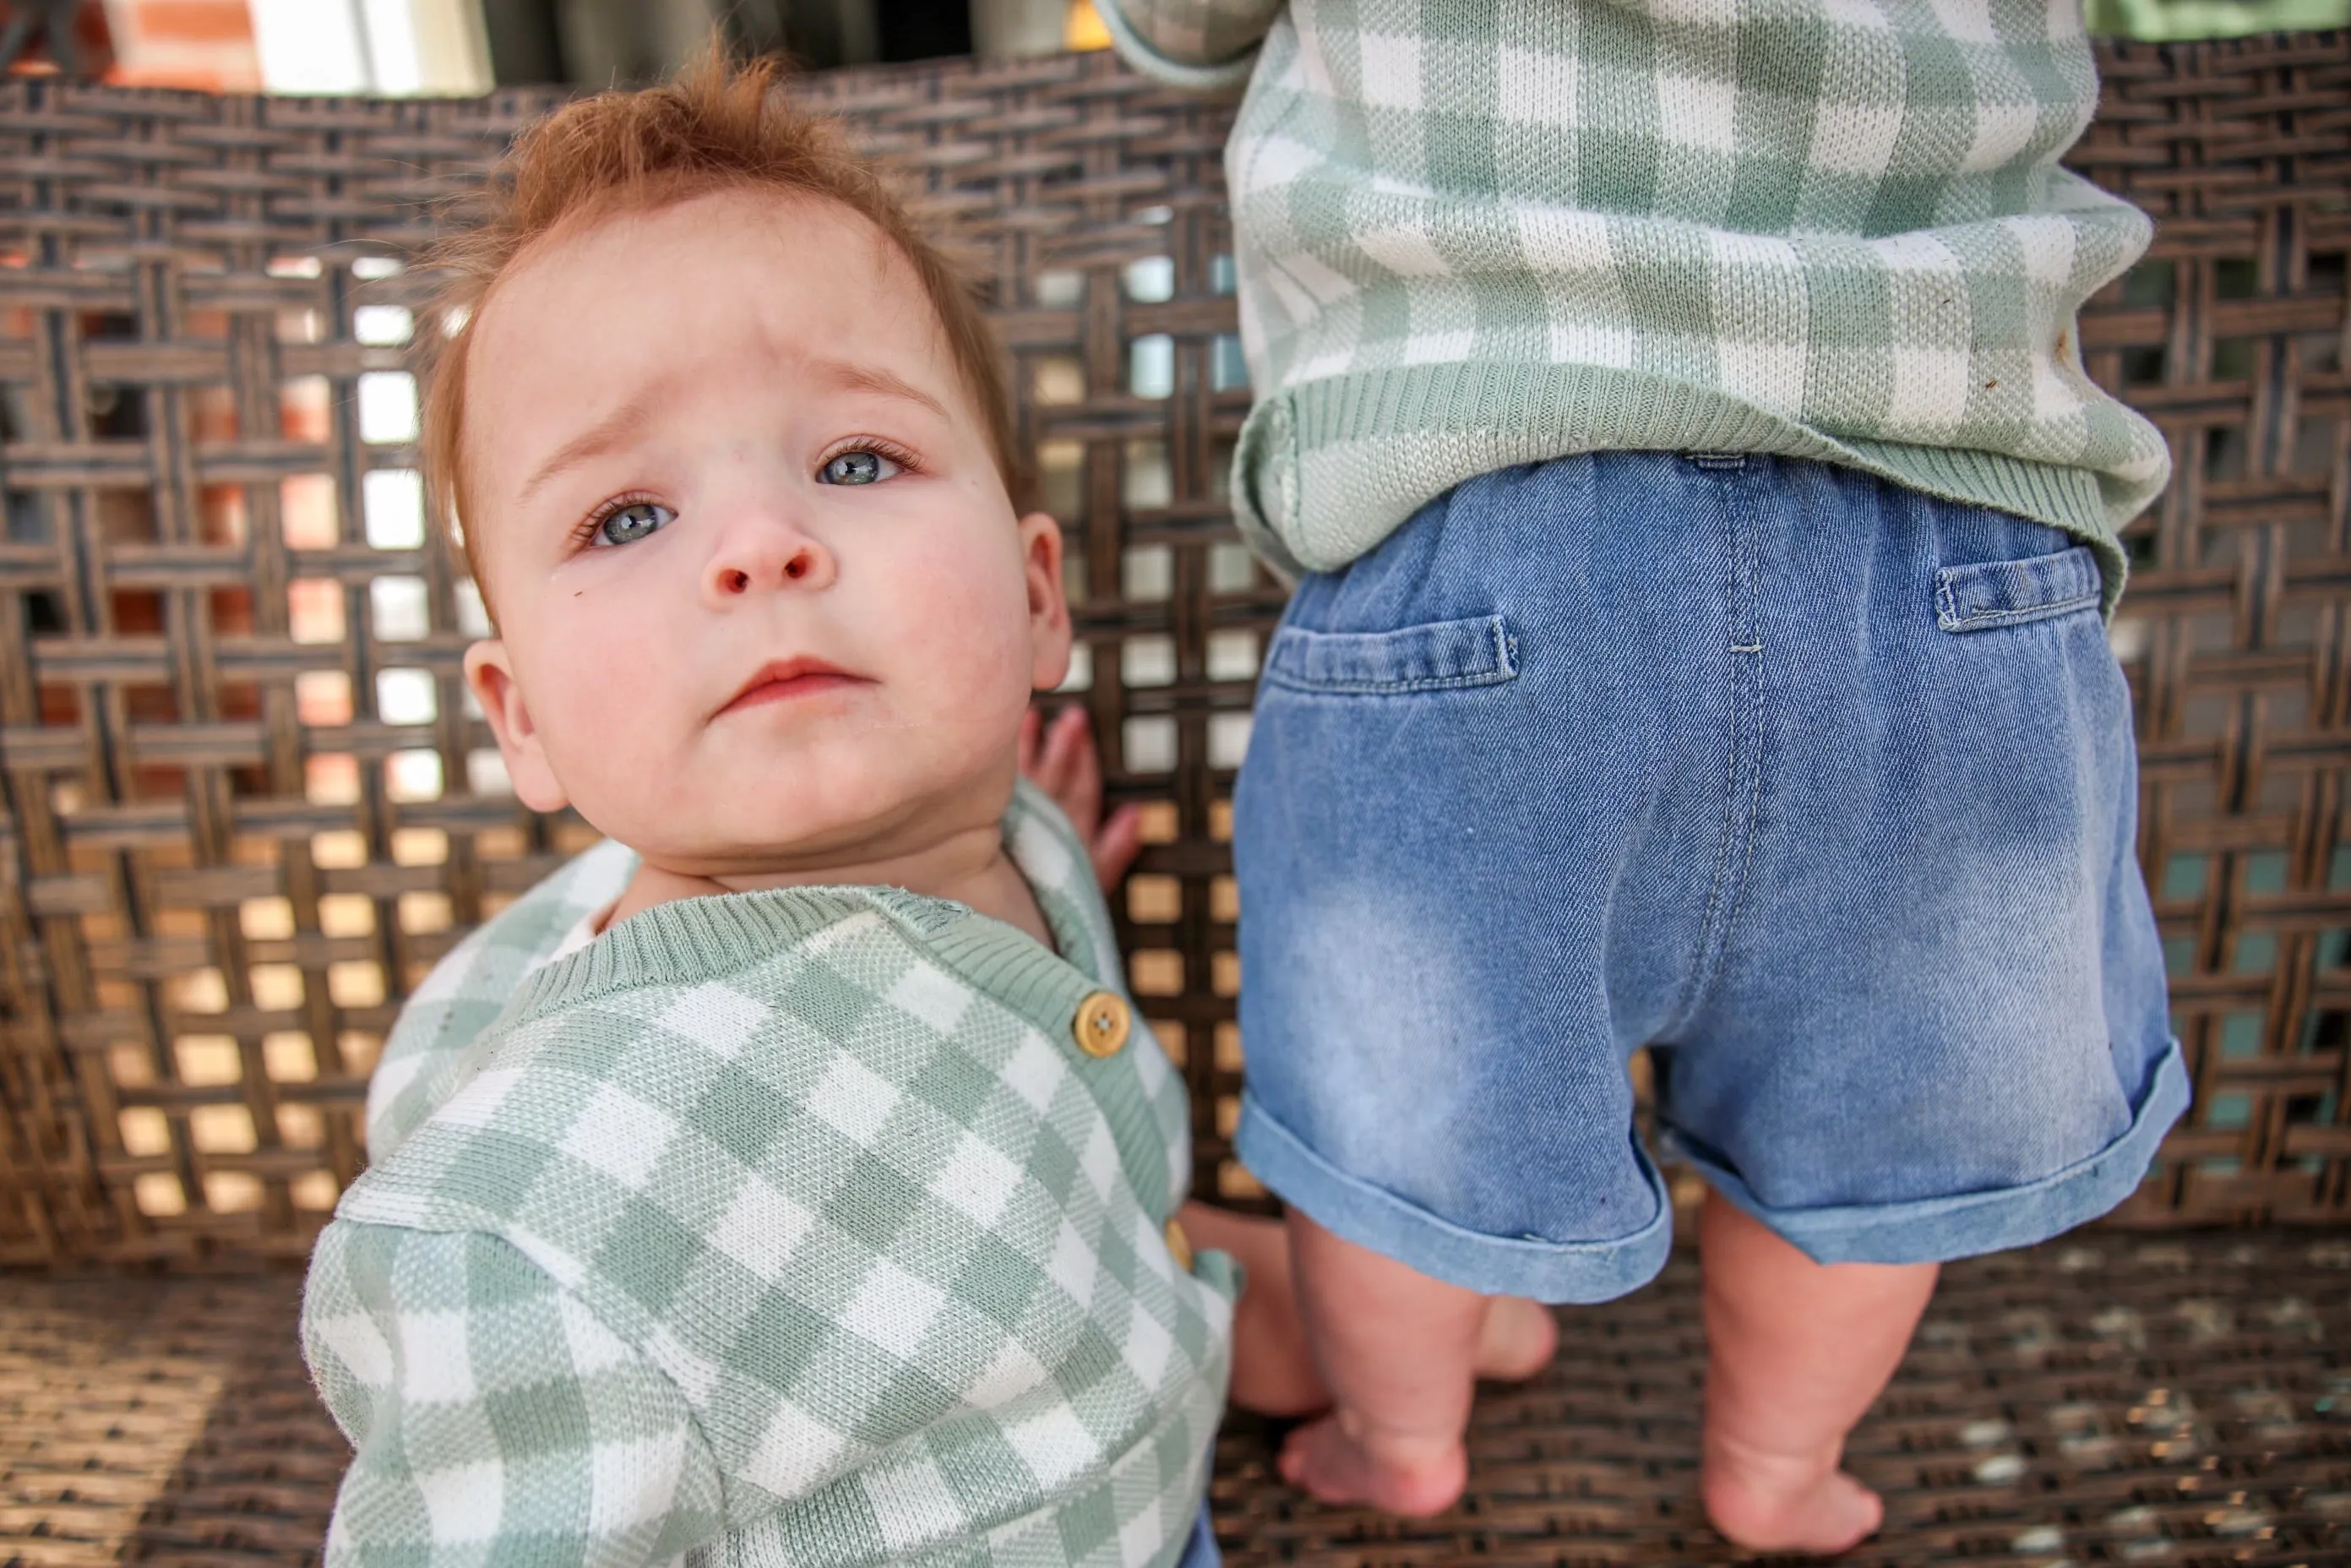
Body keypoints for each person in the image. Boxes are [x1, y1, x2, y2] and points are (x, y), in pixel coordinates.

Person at [1095, 0, 2184, 1554]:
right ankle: (1775, 1463)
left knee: (1395, 1111)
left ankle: (1399, 1436)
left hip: (1479, 526)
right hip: (1951, 536)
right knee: (1860, 1142)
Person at [298, 57, 1342, 1567]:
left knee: (1367, 1299)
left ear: (1034, 600)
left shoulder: (1007, 844)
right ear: (521, 716)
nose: (761, 544)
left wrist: (1027, 847)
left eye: (858, 460)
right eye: (627, 516)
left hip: (1105, 1333)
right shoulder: (544, 1246)